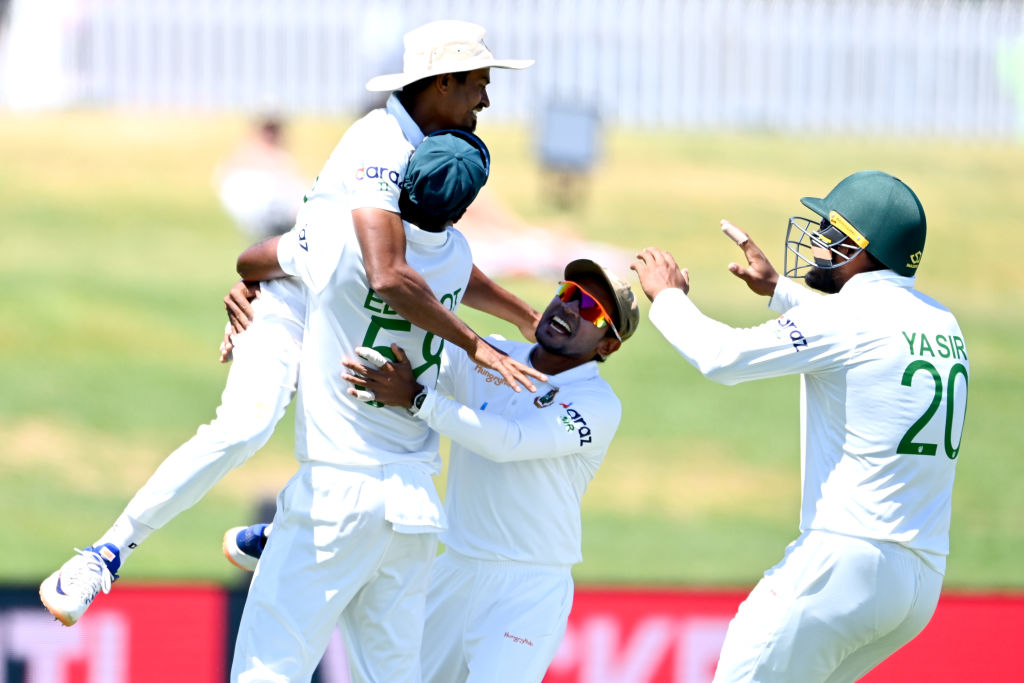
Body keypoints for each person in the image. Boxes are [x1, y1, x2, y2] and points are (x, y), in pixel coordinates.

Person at [39, 19, 539, 628]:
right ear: (442, 84)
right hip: (297, 298)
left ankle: (295, 527)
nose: (486, 98)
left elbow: (441, 264)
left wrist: (528, 317)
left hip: (348, 305)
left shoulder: (431, 144)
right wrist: (477, 346)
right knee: (245, 427)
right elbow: (386, 272)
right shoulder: (379, 145)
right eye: (479, 84)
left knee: (382, 421)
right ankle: (106, 553)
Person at [227, 258, 639, 683]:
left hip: (529, 587)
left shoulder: (597, 404)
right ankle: (310, 532)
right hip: (455, 568)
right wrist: (273, 298)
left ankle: (299, 539)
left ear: (607, 346)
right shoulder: (494, 353)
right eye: (568, 293)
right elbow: (407, 330)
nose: (570, 308)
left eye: (591, 310)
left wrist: (420, 400)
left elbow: (509, 442)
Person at [631, 170, 968, 682]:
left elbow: (721, 357)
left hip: (844, 564)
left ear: (863, 251)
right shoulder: (942, 321)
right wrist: (781, 292)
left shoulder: (848, 320)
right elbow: (866, 334)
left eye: (833, 236)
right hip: (919, 581)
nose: (818, 243)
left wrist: (669, 295)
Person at [228, 129, 489, 682]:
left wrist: (253, 282)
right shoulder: (457, 261)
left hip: (337, 489)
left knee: (267, 666)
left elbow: (249, 260)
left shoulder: (344, 238)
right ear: (463, 207)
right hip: (415, 504)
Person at [214, 112, 307, 239]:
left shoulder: (281, 157)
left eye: (274, 129)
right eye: (268, 129)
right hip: (260, 206)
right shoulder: (247, 153)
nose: (271, 133)